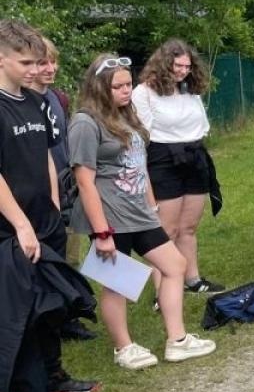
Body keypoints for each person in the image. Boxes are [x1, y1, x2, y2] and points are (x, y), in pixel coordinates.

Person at [69, 55, 217, 369]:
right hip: (110, 215)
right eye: (118, 86)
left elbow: (140, 164)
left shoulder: (127, 115)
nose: (126, 91)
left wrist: (151, 204)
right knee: (117, 281)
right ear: (99, 88)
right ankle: (124, 348)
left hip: (139, 211)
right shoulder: (85, 121)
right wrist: (102, 232)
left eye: (128, 84)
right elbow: (84, 181)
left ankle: (177, 340)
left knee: (175, 265)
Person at [0, 20, 99, 392]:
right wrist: (22, 225)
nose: (33, 69)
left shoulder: (34, 102)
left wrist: (53, 205)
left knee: (51, 306)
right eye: (25, 62)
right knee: (16, 315)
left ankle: (54, 377)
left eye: (37, 61)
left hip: (43, 223)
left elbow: (42, 153)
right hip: (9, 231)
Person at [132, 39, 224, 296]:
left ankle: (192, 280)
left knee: (189, 227)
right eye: (178, 65)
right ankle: (164, 291)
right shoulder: (143, 92)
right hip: (162, 160)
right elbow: (142, 134)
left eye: (187, 66)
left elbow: (201, 125)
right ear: (163, 64)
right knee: (167, 230)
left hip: (194, 157)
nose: (183, 71)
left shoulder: (189, 90)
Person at [33, 36, 97, 340]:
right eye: (42, 62)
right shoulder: (18, 102)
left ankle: (68, 318)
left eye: (52, 61)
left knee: (68, 254)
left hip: (65, 186)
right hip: (34, 193)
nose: (49, 68)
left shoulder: (57, 99)